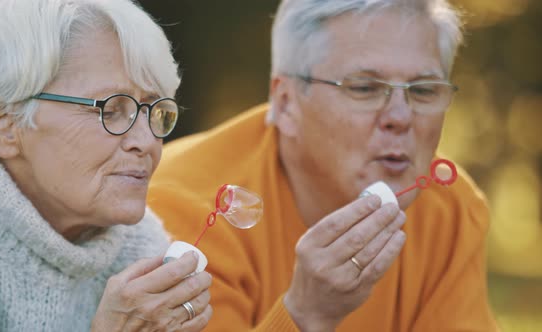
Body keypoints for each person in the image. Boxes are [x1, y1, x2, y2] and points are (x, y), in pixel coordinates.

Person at [148, 0, 499, 331]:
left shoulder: (452, 208)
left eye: (423, 90)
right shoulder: (183, 213)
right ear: (286, 104)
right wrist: (305, 314)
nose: (401, 116)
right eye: (365, 88)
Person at [0, 0, 212, 331]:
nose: (147, 141)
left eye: (154, 110)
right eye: (110, 109)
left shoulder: (140, 246)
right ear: (5, 125)